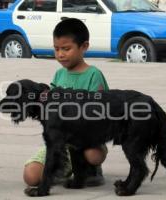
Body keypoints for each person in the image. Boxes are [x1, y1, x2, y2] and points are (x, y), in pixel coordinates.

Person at [23, 18, 109, 188]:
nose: (60, 54)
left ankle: (91, 170)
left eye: (66, 49)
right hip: (59, 141)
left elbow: (100, 113)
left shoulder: (93, 75)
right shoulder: (58, 75)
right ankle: (62, 169)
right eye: (56, 49)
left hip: (86, 138)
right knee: (31, 177)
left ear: (84, 46)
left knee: (93, 154)